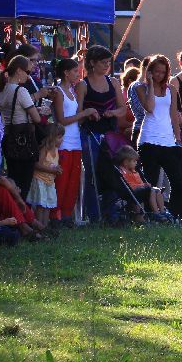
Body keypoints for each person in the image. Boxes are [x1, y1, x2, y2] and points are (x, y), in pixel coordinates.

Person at [75, 45, 127, 222]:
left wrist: (113, 113)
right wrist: (89, 113)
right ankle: (94, 215)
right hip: (90, 134)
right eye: (103, 62)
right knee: (92, 174)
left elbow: (122, 108)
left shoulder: (113, 82)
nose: (107, 65)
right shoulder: (83, 85)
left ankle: (110, 212)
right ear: (92, 63)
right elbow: (79, 113)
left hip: (110, 134)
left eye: (108, 62)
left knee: (112, 172)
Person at [133, 54, 182, 218]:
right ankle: (151, 214)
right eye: (156, 72)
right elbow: (150, 108)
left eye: (163, 72)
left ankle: (175, 215)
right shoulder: (141, 88)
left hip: (168, 141)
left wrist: (178, 138)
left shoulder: (171, 89)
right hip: (149, 139)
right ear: (150, 72)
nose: (159, 75)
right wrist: (151, 85)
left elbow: (173, 116)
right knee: (151, 182)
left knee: (178, 181)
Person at [49, 59, 96, 225]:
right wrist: (84, 114)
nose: (78, 74)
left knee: (73, 181)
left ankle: (68, 214)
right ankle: (55, 215)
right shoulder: (59, 92)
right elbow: (61, 119)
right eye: (75, 71)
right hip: (64, 142)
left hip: (75, 141)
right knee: (61, 181)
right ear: (66, 73)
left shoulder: (73, 92)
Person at [0, 55, 42, 197]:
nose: (28, 77)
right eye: (27, 72)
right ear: (19, 71)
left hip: (8, 137)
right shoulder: (20, 91)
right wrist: (39, 111)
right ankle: (21, 214)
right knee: (23, 183)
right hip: (23, 139)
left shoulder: (1, 90)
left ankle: (14, 212)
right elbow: (37, 119)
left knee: (13, 177)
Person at [114, 146, 165, 222]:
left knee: (157, 190)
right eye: (134, 161)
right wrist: (143, 186)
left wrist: (145, 184)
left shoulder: (135, 171)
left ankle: (162, 211)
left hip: (141, 190)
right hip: (132, 192)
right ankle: (155, 213)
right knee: (153, 191)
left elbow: (140, 182)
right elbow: (130, 186)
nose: (136, 163)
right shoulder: (123, 172)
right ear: (125, 162)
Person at [28, 123, 63, 230]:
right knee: (41, 205)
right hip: (40, 180)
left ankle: (45, 227)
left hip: (49, 181)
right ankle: (39, 227)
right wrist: (52, 170)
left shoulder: (56, 150)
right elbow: (37, 165)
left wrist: (57, 170)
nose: (62, 140)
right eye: (60, 137)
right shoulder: (44, 149)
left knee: (48, 205)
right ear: (52, 137)